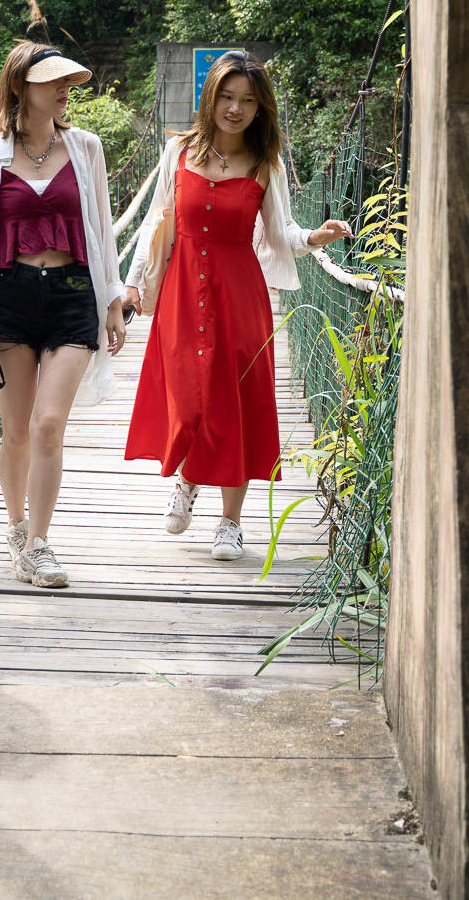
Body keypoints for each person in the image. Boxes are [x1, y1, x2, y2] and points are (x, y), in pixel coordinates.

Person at [122, 51, 350, 562]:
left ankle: (231, 522)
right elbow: (155, 223)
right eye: (227, 96)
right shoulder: (178, 152)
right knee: (188, 393)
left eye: (247, 100)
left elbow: (281, 232)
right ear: (211, 97)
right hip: (182, 290)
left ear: (259, 107)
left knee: (236, 399)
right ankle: (188, 477)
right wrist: (133, 286)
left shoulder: (265, 164)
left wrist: (316, 236)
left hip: (239, 294)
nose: (235, 108)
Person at [0, 42, 128, 589]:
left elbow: (101, 227)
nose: (62, 90)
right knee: (16, 431)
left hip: (74, 293)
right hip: (10, 296)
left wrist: (114, 300)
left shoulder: (86, 148)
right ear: (19, 88)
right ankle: (15, 527)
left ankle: (39, 544)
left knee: (49, 423)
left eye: (66, 82)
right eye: (50, 81)